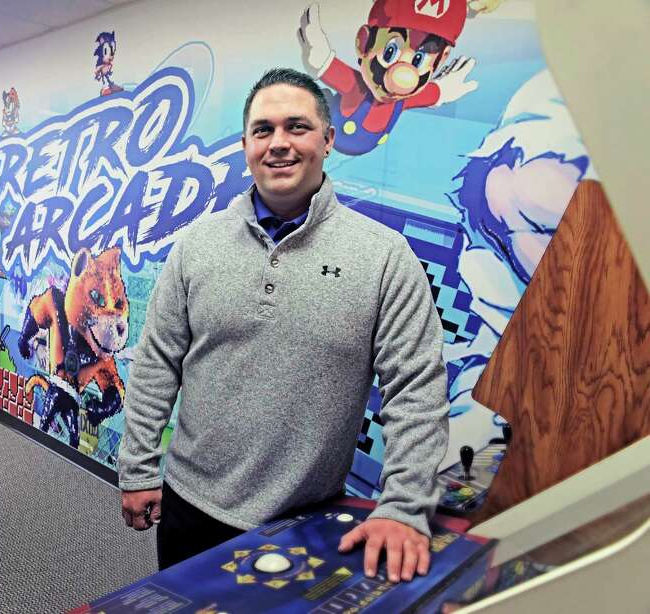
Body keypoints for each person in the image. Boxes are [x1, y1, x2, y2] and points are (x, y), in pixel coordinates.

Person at [118, 67, 449, 584]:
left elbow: (415, 391)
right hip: (189, 506)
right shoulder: (197, 245)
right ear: (246, 145)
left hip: (309, 520)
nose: (279, 144)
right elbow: (157, 361)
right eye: (263, 130)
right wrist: (137, 467)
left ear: (329, 140)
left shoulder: (383, 257)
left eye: (297, 126)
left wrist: (404, 507)